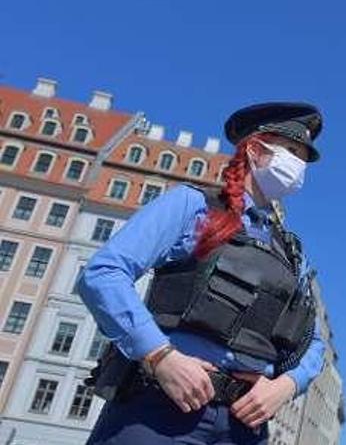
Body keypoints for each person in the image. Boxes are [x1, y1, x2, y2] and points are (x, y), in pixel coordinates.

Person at [79, 102, 327, 445]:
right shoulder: (193, 205)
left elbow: (311, 341)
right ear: (255, 149)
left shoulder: (289, 251)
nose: (298, 165)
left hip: (244, 425)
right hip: (163, 406)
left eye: (303, 157)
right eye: (291, 151)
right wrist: (159, 356)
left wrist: (286, 386)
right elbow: (103, 273)